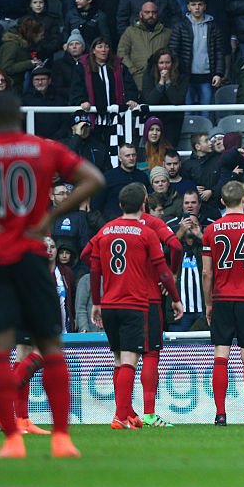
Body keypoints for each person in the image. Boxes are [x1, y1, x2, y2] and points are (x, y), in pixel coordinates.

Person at [0, 92, 104, 458]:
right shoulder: (42, 148)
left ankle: (12, 441)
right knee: (50, 347)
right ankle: (62, 438)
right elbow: (93, 178)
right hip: (33, 256)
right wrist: (49, 217)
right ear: (20, 118)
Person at [88, 183, 182, 430]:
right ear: (144, 204)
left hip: (108, 302)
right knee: (140, 357)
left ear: (120, 205)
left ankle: (128, 414)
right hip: (139, 301)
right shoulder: (148, 230)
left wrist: (96, 301)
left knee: (119, 359)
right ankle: (126, 415)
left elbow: (92, 261)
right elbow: (171, 256)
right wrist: (174, 295)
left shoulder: (106, 229)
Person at [203, 180, 244, 426]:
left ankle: (220, 415)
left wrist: (209, 303)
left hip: (221, 298)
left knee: (221, 356)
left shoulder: (212, 230)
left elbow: (207, 273)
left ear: (222, 201)